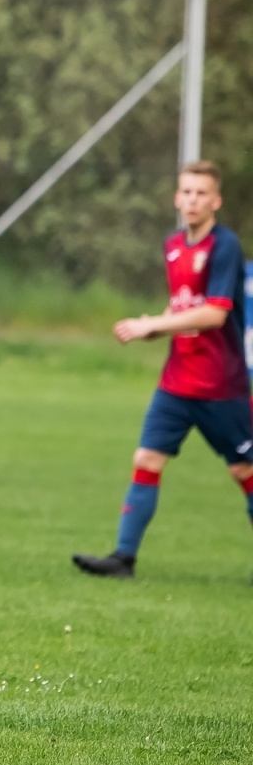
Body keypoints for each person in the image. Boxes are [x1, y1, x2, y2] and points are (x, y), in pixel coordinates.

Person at [74, 162, 250, 578]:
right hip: (177, 380)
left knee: (243, 469)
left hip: (220, 384)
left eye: (201, 193)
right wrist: (157, 325)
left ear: (216, 200)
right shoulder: (174, 245)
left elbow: (214, 315)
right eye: (186, 192)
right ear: (176, 198)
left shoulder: (224, 246)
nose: (192, 200)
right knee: (148, 457)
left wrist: (153, 324)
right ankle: (123, 557)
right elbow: (184, 306)